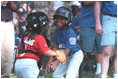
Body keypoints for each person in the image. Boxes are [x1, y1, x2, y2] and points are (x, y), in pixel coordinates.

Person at [14, 11, 62, 78]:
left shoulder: (25, 36)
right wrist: (57, 53)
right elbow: (45, 51)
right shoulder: (39, 37)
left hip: (18, 64)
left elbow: (20, 50)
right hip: (29, 64)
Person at [47, 7, 84, 78]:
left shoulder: (70, 32)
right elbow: (55, 48)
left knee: (69, 76)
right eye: (57, 18)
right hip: (65, 56)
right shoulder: (57, 31)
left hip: (75, 56)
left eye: (62, 18)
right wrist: (50, 61)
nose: (59, 20)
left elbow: (67, 50)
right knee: (56, 75)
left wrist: (57, 62)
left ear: (68, 20)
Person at [78, 1, 103, 77]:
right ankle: (77, 71)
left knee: (100, 49)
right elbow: (85, 2)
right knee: (84, 51)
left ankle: (99, 72)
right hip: (87, 23)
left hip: (103, 23)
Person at [94, 1, 117, 78]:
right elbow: (97, 2)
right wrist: (97, 23)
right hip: (109, 17)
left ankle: (116, 75)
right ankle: (103, 75)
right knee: (107, 50)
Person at [1, 1, 19, 78]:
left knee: (9, 51)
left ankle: (5, 75)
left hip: (9, 24)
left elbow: (15, 8)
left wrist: (9, 1)